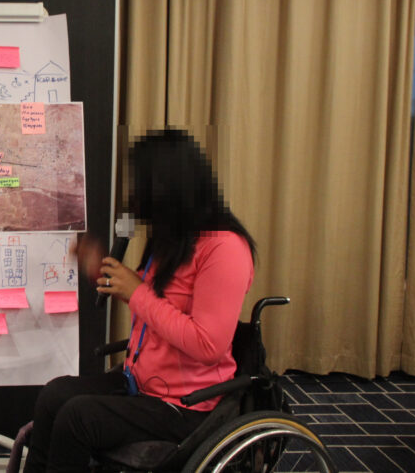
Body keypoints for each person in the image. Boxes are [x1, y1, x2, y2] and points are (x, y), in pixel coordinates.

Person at [25, 129, 257, 472]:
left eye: (141, 185)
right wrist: (101, 271)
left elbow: (208, 343)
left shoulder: (224, 248)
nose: (135, 196)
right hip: (142, 383)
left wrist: (136, 291)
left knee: (78, 418)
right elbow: (153, 305)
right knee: (55, 395)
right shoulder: (175, 238)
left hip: (187, 405)